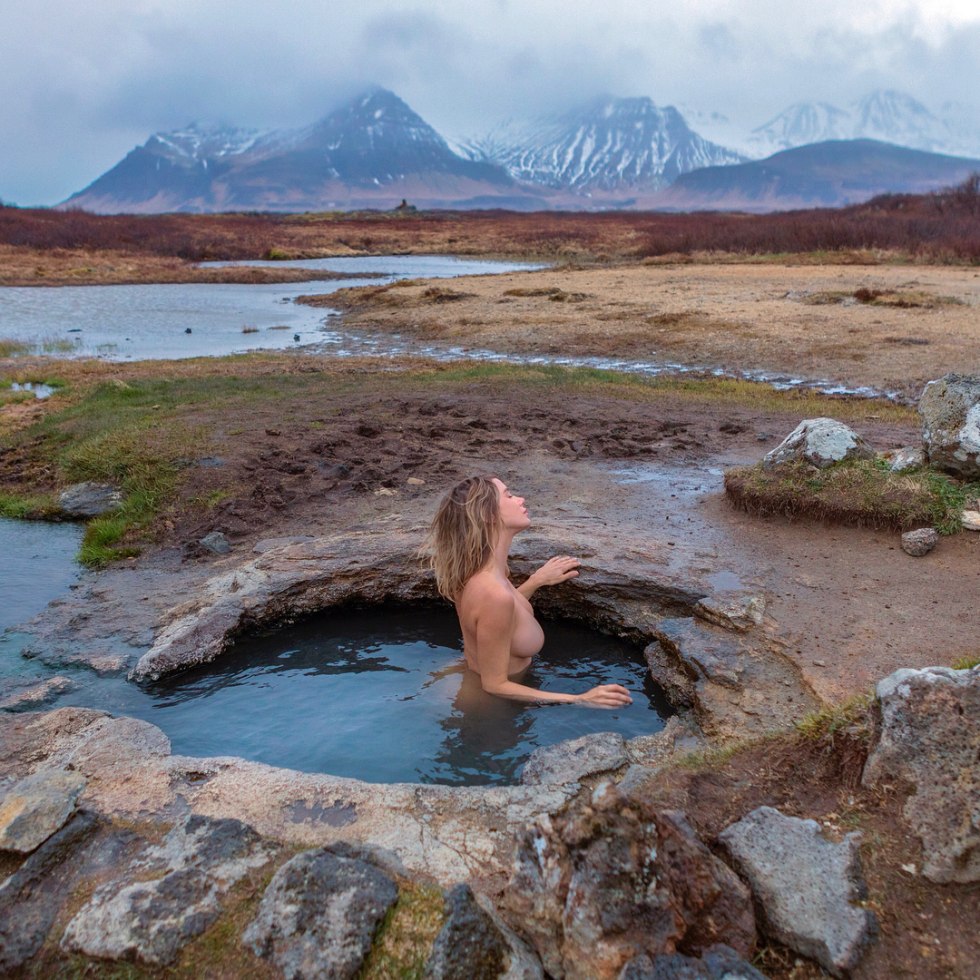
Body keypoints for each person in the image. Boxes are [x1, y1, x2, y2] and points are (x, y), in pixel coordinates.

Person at [425, 475, 633, 707]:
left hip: (481, 689)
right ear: (488, 514)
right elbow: (494, 685)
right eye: (509, 495)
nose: (521, 499)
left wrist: (536, 580)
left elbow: (500, 617)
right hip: (488, 711)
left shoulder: (485, 572)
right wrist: (579, 699)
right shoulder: (493, 593)